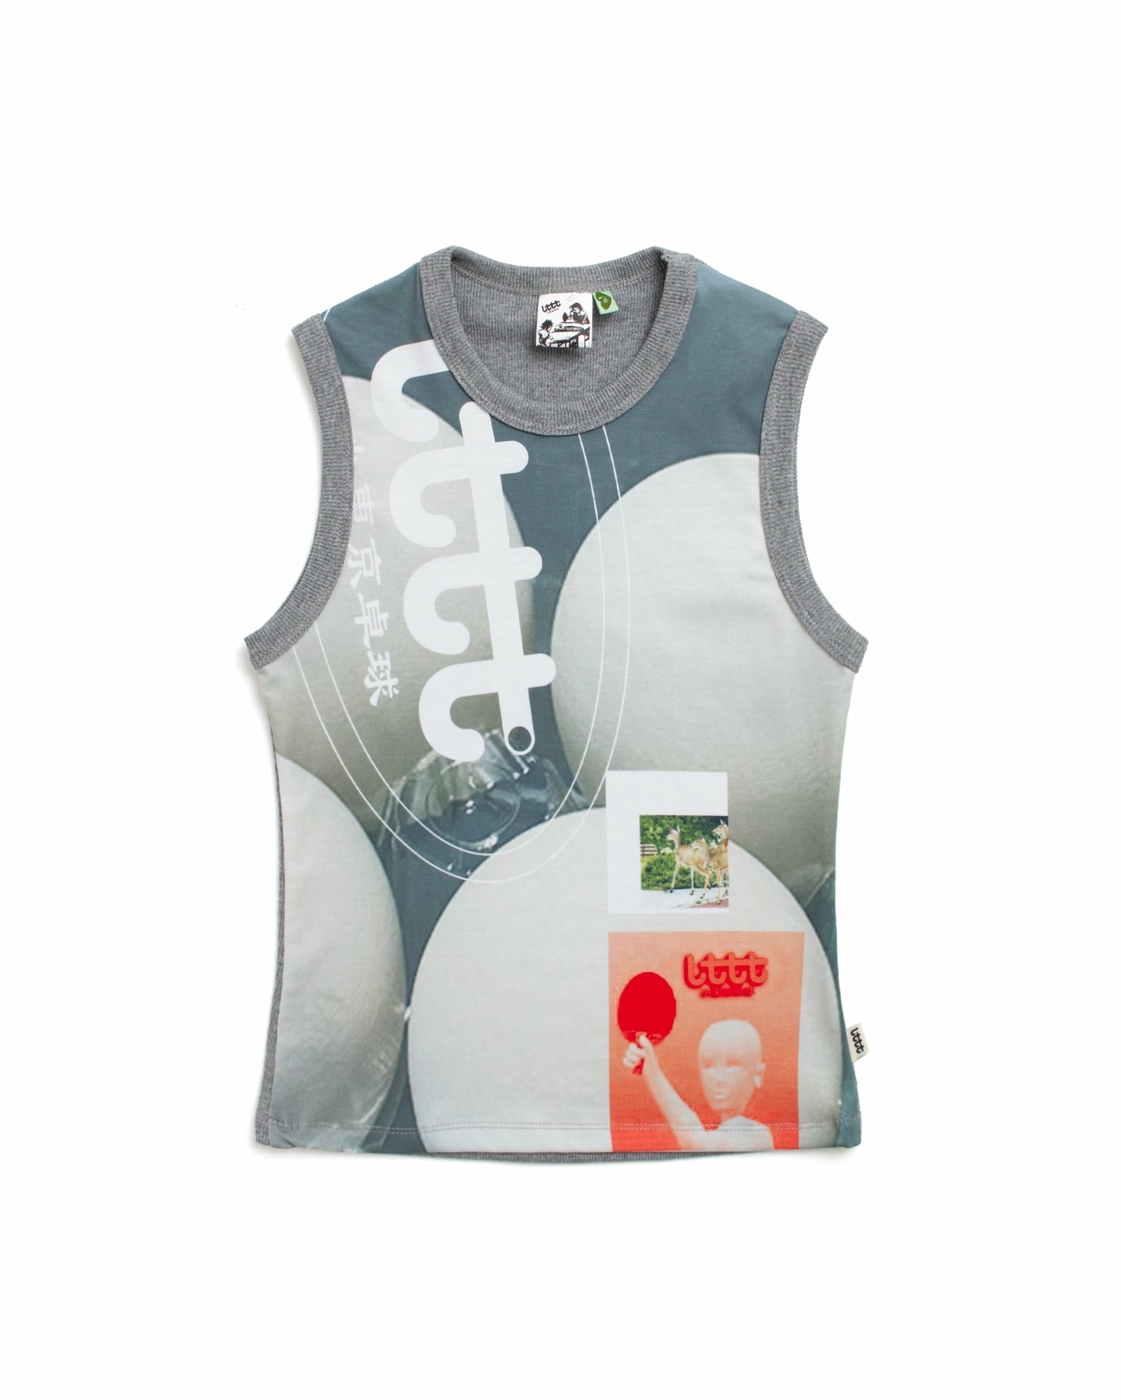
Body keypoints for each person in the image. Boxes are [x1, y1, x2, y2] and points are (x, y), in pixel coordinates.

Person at [622, 1019, 774, 1152]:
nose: (718, 1078)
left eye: (732, 1064)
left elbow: (698, 1143)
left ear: (758, 1075)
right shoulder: (729, 1132)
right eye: (708, 1066)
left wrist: (653, 1074)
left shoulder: (755, 1134)